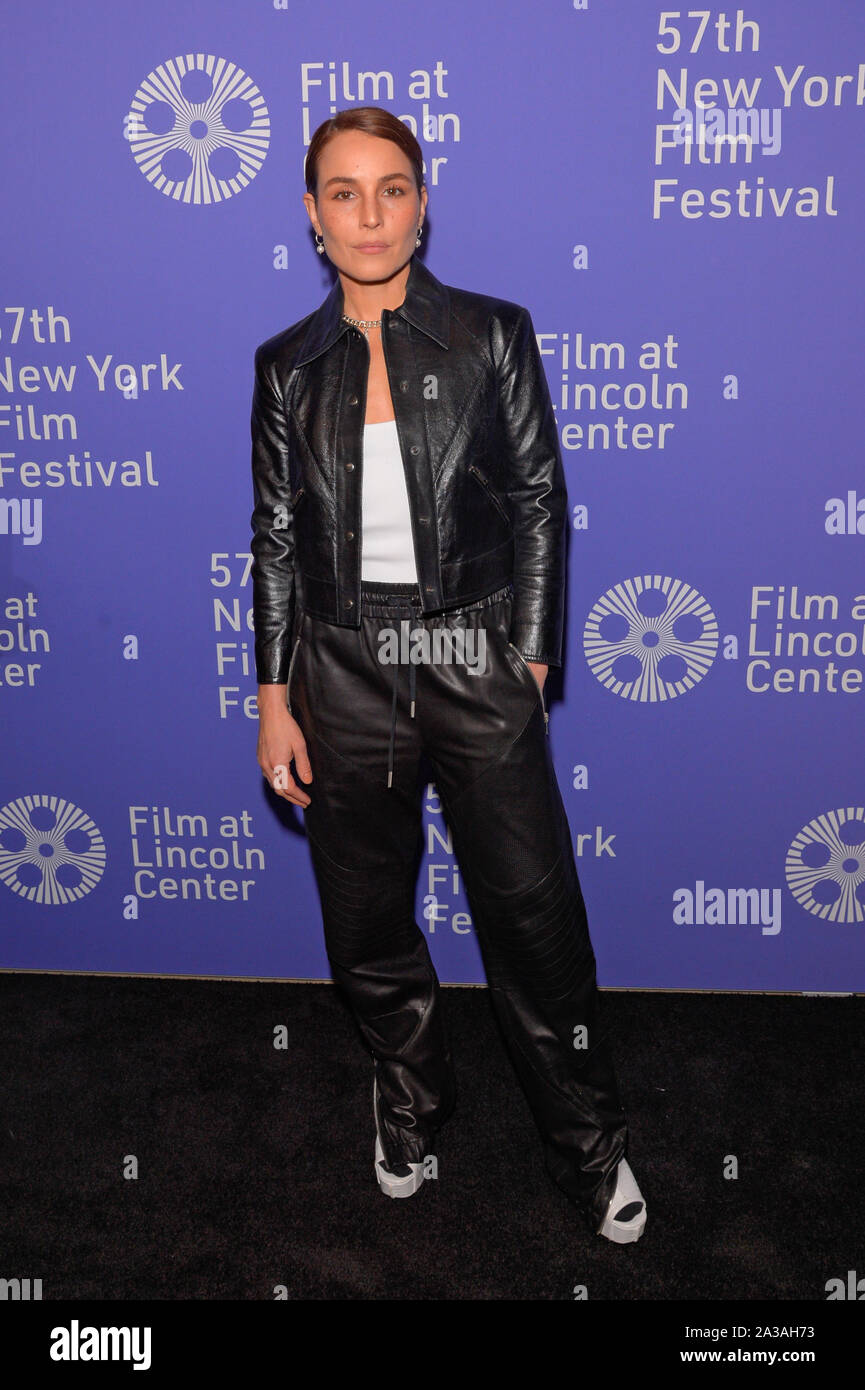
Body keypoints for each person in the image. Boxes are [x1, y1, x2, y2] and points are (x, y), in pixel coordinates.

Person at [250, 106, 646, 1243]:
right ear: (314, 219)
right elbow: (274, 536)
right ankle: (410, 1103)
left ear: (423, 204)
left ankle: (590, 1143)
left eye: (390, 188)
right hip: (339, 661)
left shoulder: (490, 335)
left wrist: (524, 655)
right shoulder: (287, 367)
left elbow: (535, 499)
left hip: (470, 651)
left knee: (534, 919)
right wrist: (276, 696)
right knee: (368, 918)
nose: (367, 214)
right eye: (341, 192)